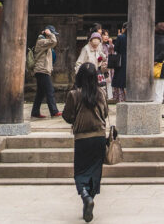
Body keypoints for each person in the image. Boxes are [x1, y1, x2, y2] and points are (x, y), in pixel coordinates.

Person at [62, 62, 109, 222]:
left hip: (82, 139)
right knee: (95, 172)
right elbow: (106, 112)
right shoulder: (101, 93)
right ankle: (90, 197)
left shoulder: (74, 94)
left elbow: (67, 116)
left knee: (80, 172)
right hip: (99, 137)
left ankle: (85, 195)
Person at [32, 25, 61, 118]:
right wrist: (49, 33)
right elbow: (54, 41)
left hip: (42, 70)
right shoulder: (41, 41)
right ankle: (54, 111)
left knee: (41, 93)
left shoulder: (44, 43)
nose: (53, 35)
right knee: (50, 90)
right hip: (42, 70)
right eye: (51, 34)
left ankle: (35, 112)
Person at [154, 22, 164, 116]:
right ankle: (158, 111)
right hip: (160, 66)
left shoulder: (151, 40)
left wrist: (152, 60)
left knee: (151, 89)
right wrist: (157, 60)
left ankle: (151, 108)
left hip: (149, 66)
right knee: (159, 90)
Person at [111, 23, 127, 103]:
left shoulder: (121, 37)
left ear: (123, 28)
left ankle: (121, 99)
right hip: (132, 60)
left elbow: (116, 48)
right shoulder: (135, 37)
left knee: (120, 81)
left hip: (121, 60)